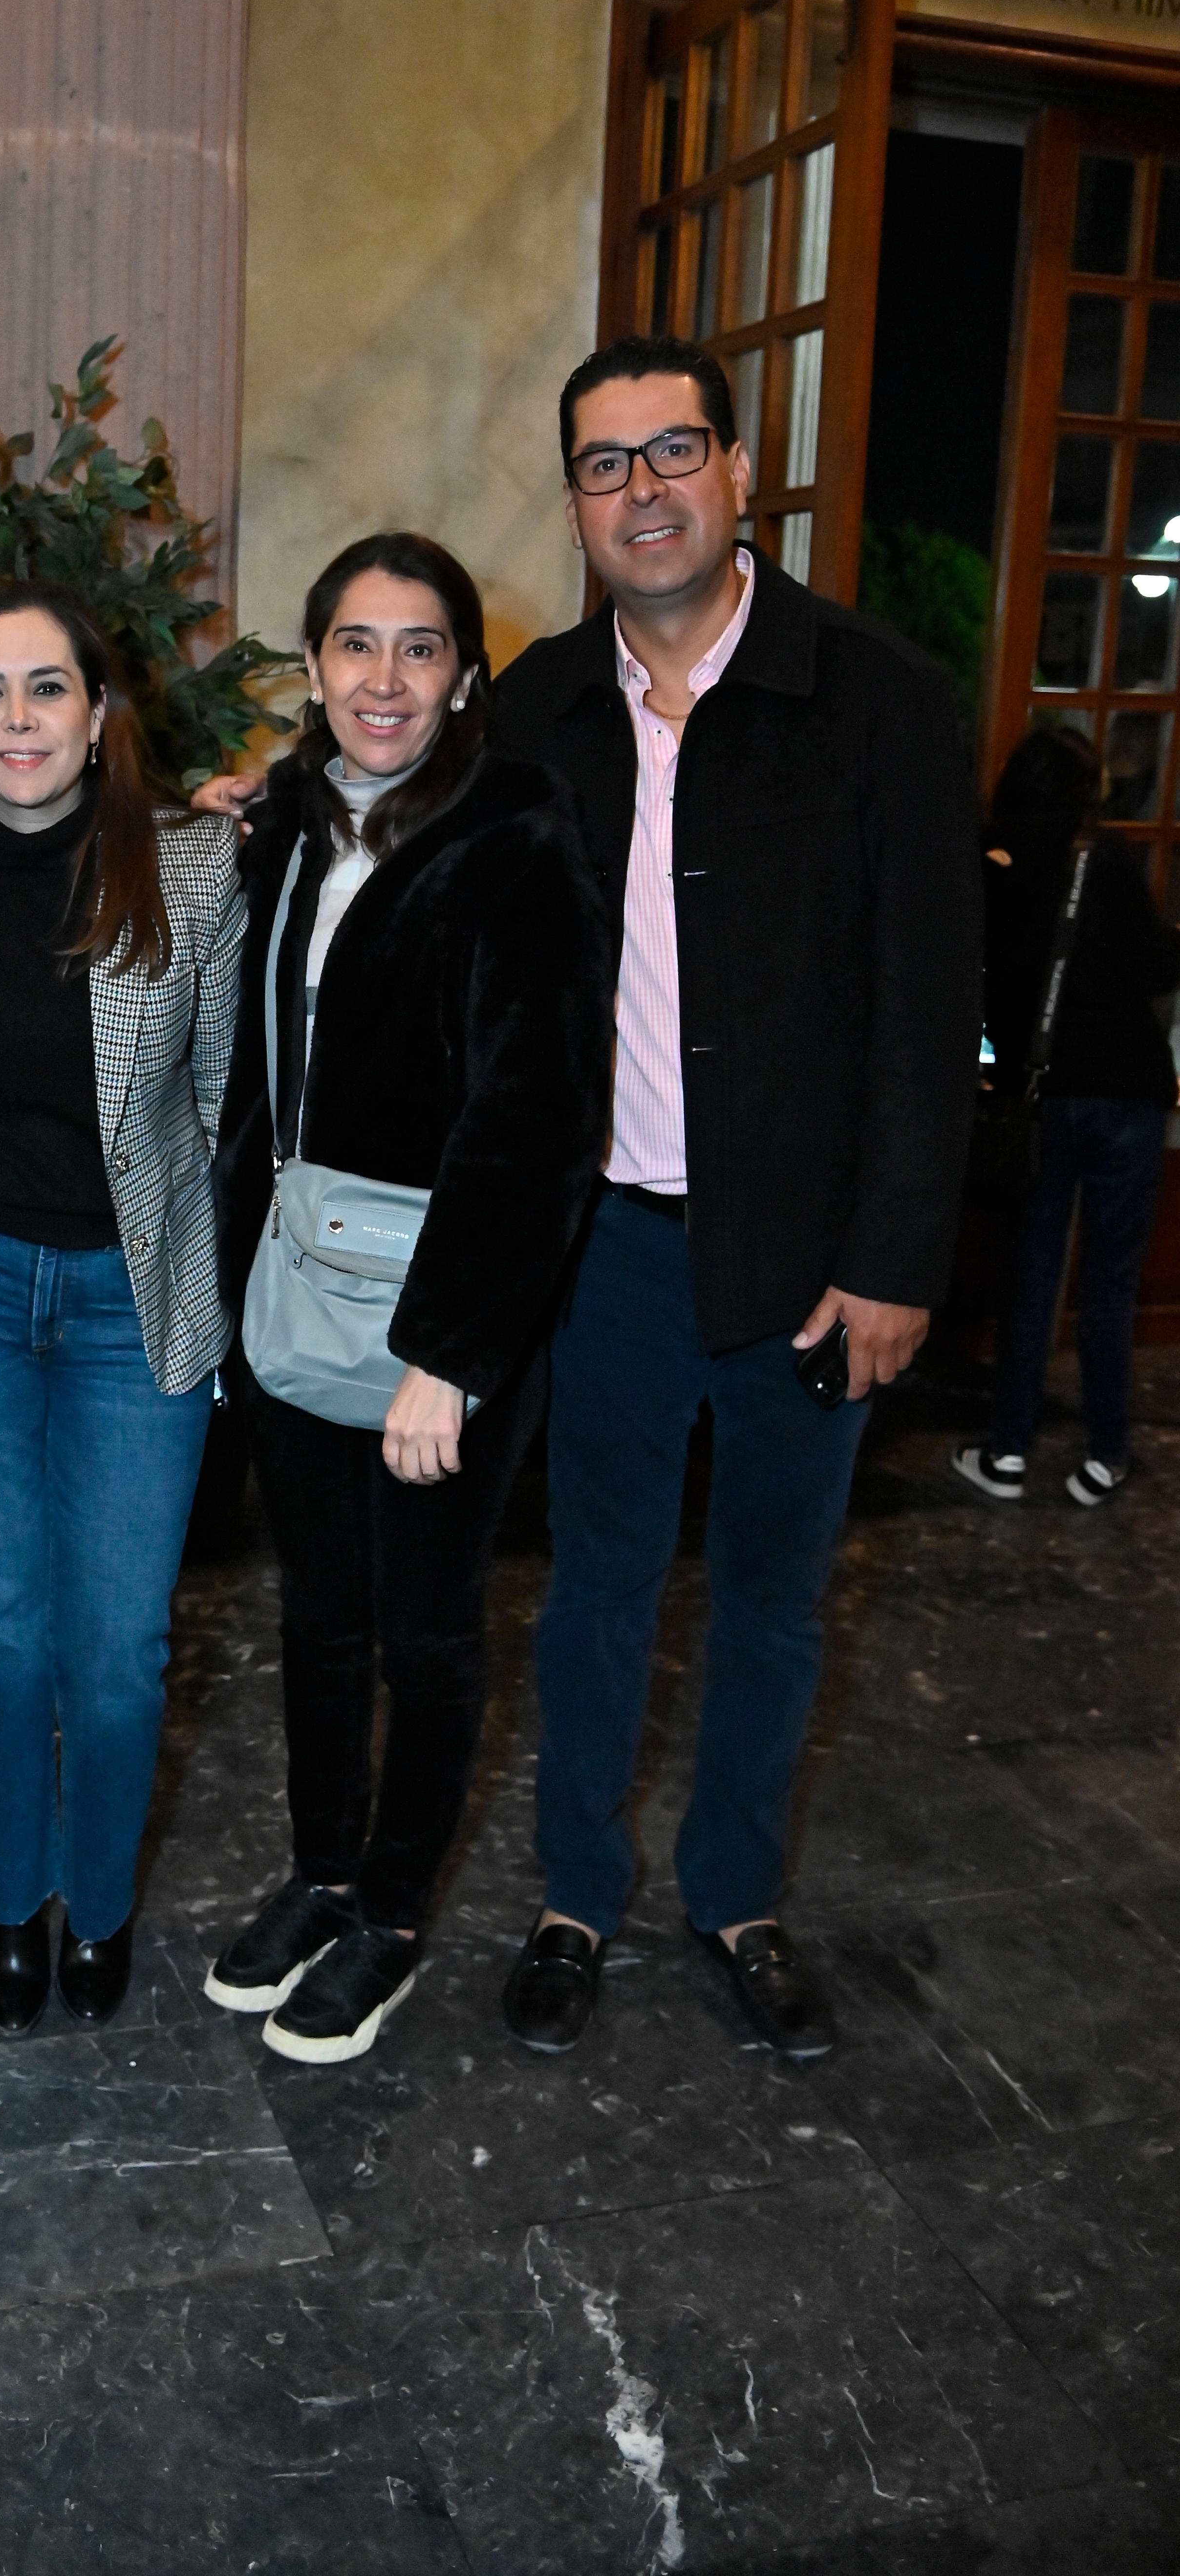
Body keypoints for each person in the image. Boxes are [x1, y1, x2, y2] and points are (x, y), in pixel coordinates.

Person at [489, 335, 979, 2062]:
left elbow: (929, 1007)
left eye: (672, 450)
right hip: (606, 1254)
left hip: (810, 1265)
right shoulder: (536, 706)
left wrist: (894, 1258)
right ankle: (574, 1893)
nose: (642, 490)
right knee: (595, 1593)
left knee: (774, 1598)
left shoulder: (878, 696)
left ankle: (736, 1895)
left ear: (740, 469)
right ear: (573, 503)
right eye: (603, 464)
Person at [202, 534, 613, 2065]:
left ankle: (389, 1913)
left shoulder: (518, 835)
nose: (386, 680)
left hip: (441, 1314)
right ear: (313, 669)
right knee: (318, 1616)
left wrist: (452, 1354)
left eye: (420, 648)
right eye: (356, 647)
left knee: (426, 1635)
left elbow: (539, 1116)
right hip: (293, 1290)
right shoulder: (289, 825)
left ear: (465, 676)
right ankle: (321, 1873)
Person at [0, 581, 244, 2035]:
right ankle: (11, 1902)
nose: (17, 719)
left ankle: (104, 1897)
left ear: (98, 713)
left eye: (46, 688)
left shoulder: (192, 866)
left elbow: (224, 1095)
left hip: (132, 1304)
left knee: (121, 1653)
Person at [954, 723, 1180, 1511]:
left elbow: (977, 983)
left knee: (1034, 1274)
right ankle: (1104, 1455)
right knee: (1111, 1282)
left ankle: (1008, 1452)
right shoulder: (1105, 858)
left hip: (1042, 1097)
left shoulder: (987, 861)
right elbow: (1158, 969)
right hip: (1129, 1093)